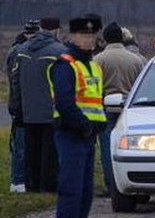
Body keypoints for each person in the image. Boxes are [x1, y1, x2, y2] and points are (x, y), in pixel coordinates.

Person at [49, 16, 106, 218]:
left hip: (87, 137)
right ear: (73, 36)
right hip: (71, 134)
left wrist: (100, 123)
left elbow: (98, 99)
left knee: (85, 192)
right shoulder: (66, 65)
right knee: (71, 190)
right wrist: (85, 126)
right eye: (83, 35)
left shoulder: (93, 65)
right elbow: (64, 104)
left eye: (92, 35)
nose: (88, 40)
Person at [93, 22, 145, 197]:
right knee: (132, 150)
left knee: (108, 149)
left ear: (105, 38)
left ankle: (111, 185)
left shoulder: (98, 60)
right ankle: (137, 184)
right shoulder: (137, 60)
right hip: (130, 112)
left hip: (105, 109)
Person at [16, 18, 66, 193]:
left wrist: (17, 107)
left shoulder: (22, 50)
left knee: (31, 150)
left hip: (28, 110)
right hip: (51, 110)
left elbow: (15, 81)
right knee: (50, 152)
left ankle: (32, 185)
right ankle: (48, 186)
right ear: (56, 30)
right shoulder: (60, 52)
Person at [7, 20, 40, 193]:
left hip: (22, 104)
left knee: (23, 145)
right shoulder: (19, 52)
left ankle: (21, 179)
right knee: (21, 146)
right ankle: (18, 180)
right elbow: (15, 82)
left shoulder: (17, 50)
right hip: (23, 105)